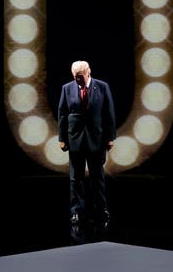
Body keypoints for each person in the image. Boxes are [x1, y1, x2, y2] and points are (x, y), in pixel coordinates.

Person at [57, 60, 116, 243]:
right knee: (76, 179)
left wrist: (110, 136)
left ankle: (101, 210)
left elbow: (109, 112)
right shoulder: (67, 88)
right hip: (75, 139)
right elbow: (62, 113)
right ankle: (76, 212)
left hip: (96, 140)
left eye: (80, 77)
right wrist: (62, 138)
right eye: (75, 77)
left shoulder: (102, 87)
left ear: (88, 72)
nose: (77, 80)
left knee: (98, 177)